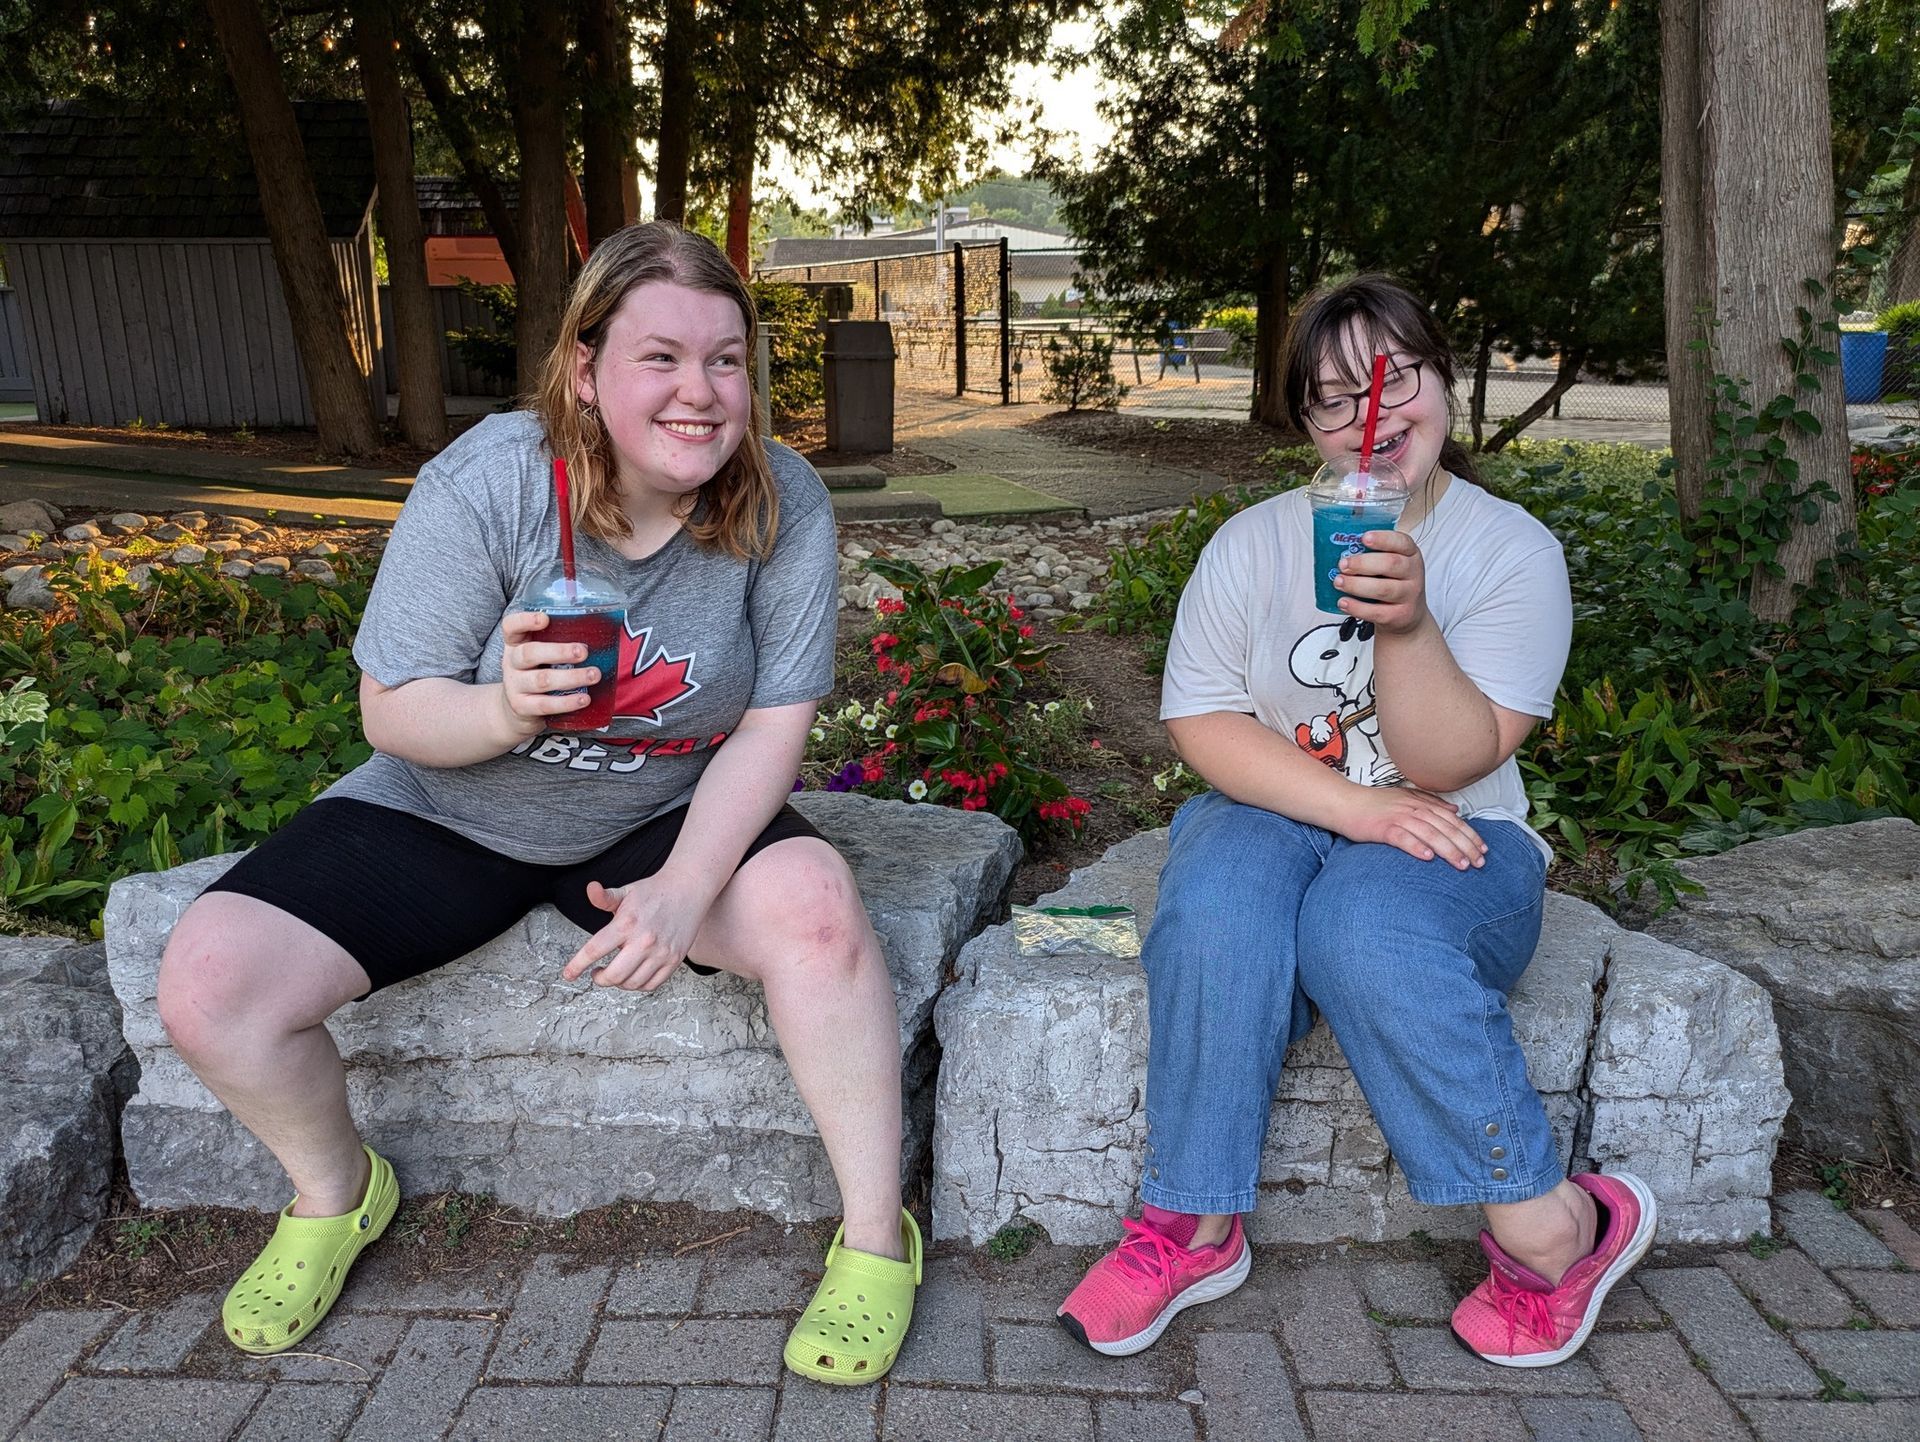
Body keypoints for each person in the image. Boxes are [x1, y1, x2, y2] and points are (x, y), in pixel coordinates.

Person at [156, 222, 919, 1385]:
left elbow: (774, 723)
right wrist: (505, 710)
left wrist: (685, 890)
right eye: (660, 356)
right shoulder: (495, 479)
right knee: (210, 981)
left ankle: (876, 1240)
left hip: (662, 803)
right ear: (585, 368)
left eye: (727, 359)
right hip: (448, 802)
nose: (701, 393)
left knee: (816, 910)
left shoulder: (782, 498)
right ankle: (335, 1192)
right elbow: (392, 707)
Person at [1057, 274, 1655, 1368]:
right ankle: (1191, 1221)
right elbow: (1202, 716)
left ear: (1441, 382)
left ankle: (1556, 1224)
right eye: (1335, 399)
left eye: (1399, 379)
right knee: (1222, 900)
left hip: (1463, 834)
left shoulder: (1513, 552)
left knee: (1360, 928)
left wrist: (1409, 621)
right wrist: (1354, 809)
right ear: (1308, 421)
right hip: (1283, 803)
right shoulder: (1250, 544)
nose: (1371, 418)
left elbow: (1449, 762)